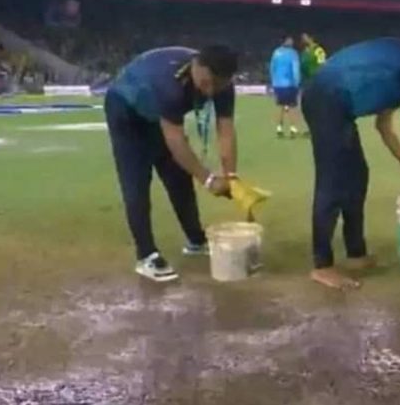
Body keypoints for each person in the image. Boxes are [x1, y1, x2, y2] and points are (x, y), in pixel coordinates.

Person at [302, 37, 400, 290]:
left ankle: (356, 254)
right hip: (326, 98)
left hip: (336, 106)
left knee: (357, 176)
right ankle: (322, 266)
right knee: (332, 183)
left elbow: (383, 126)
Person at [104, 45, 239, 282]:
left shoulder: (223, 86)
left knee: (178, 177)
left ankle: (196, 240)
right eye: (207, 83)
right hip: (126, 108)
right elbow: (175, 140)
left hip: (157, 114)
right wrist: (208, 179)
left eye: (217, 86)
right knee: (136, 180)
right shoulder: (170, 85)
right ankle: (146, 254)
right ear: (197, 66)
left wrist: (231, 177)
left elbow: (225, 130)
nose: (210, 92)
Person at [270, 35, 303, 138]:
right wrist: (297, 83)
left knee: (280, 106)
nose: (292, 42)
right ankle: (293, 129)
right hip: (289, 84)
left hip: (278, 85)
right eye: (290, 40)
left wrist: (274, 81)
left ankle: (279, 128)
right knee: (292, 106)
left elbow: (272, 68)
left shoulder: (276, 52)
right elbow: (295, 70)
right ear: (286, 41)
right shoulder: (293, 53)